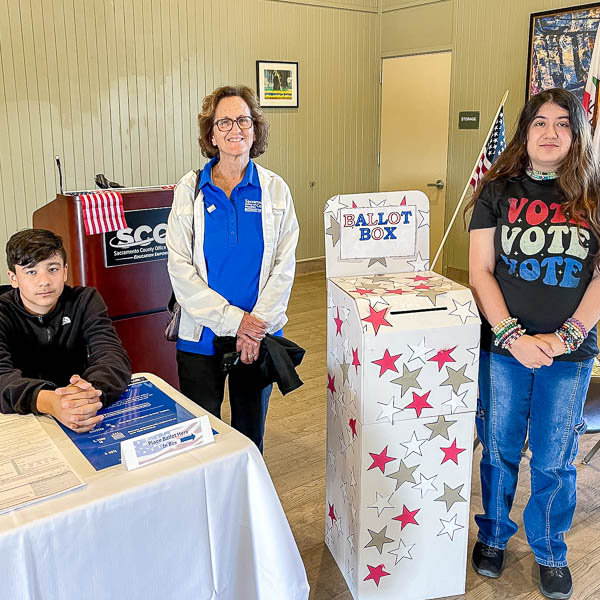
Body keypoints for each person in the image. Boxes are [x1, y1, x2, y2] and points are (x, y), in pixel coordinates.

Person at [467, 87, 600, 599]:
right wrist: (512, 336)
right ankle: (495, 537)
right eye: (540, 123)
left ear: (576, 134)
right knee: (498, 450)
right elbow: (480, 271)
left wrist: (565, 337)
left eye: (562, 124)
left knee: (554, 457)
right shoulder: (497, 191)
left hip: (569, 356)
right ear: (525, 132)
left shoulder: (593, 194)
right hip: (505, 350)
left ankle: (549, 548)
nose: (550, 133)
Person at [166, 84, 299, 453]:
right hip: (201, 334)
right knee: (201, 434)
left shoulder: (274, 190)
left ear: (255, 129)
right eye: (224, 122)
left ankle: (245, 506)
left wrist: (253, 328)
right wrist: (233, 322)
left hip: (258, 333)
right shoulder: (190, 189)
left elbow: (283, 267)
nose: (235, 129)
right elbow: (180, 268)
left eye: (243, 119)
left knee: (249, 434)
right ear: (211, 134)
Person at [0, 229, 131, 433]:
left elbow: (112, 355)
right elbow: (2, 377)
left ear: (65, 271)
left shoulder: (85, 300)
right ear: (13, 278)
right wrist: (51, 402)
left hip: (83, 408)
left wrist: (89, 394)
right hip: (22, 414)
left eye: (52, 269)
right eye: (31, 271)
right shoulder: (2, 312)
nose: (44, 281)